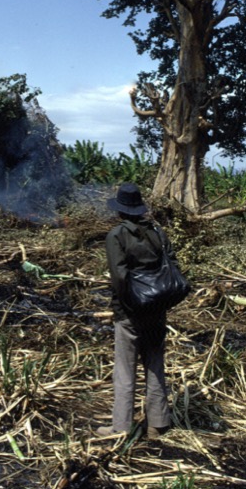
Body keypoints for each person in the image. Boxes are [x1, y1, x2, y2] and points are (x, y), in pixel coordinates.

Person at [96, 182, 175, 440]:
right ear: (140, 208)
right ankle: (158, 424)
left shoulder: (117, 235)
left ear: (120, 210)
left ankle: (122, 427)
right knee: (154, 364)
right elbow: (171, 265)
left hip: (130, 312)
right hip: (157, 308)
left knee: (125, 370)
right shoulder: (157, 232)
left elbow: (119, 277)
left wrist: (127, 307)